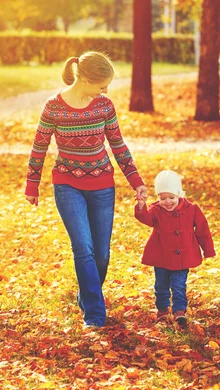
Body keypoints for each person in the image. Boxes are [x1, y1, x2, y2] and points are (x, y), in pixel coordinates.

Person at [24, 51, 148, 329]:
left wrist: (136, 181)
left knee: (101, 255)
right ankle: (94, 314)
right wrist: (32, 183)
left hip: (102, 184)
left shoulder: (104, 106)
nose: (105, 91)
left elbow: (118, 145)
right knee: (83, 248)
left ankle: (87, 294)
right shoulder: (53, 107)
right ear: (85, 79)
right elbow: (39, 146)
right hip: (67, 184)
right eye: (101, 85)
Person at [134, 170, 215, 327]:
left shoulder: (192, 209)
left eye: (172, 197)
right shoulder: (156, 210)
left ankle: (179, 312)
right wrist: (141, 205)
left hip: (182, 257)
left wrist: (208, 250)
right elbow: (146, 219)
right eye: (163, 198)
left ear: (179, 194)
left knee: (179, 285)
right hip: (162, 255)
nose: (167, 202)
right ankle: (163, 310)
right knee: (161, 285)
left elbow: (202, 229)